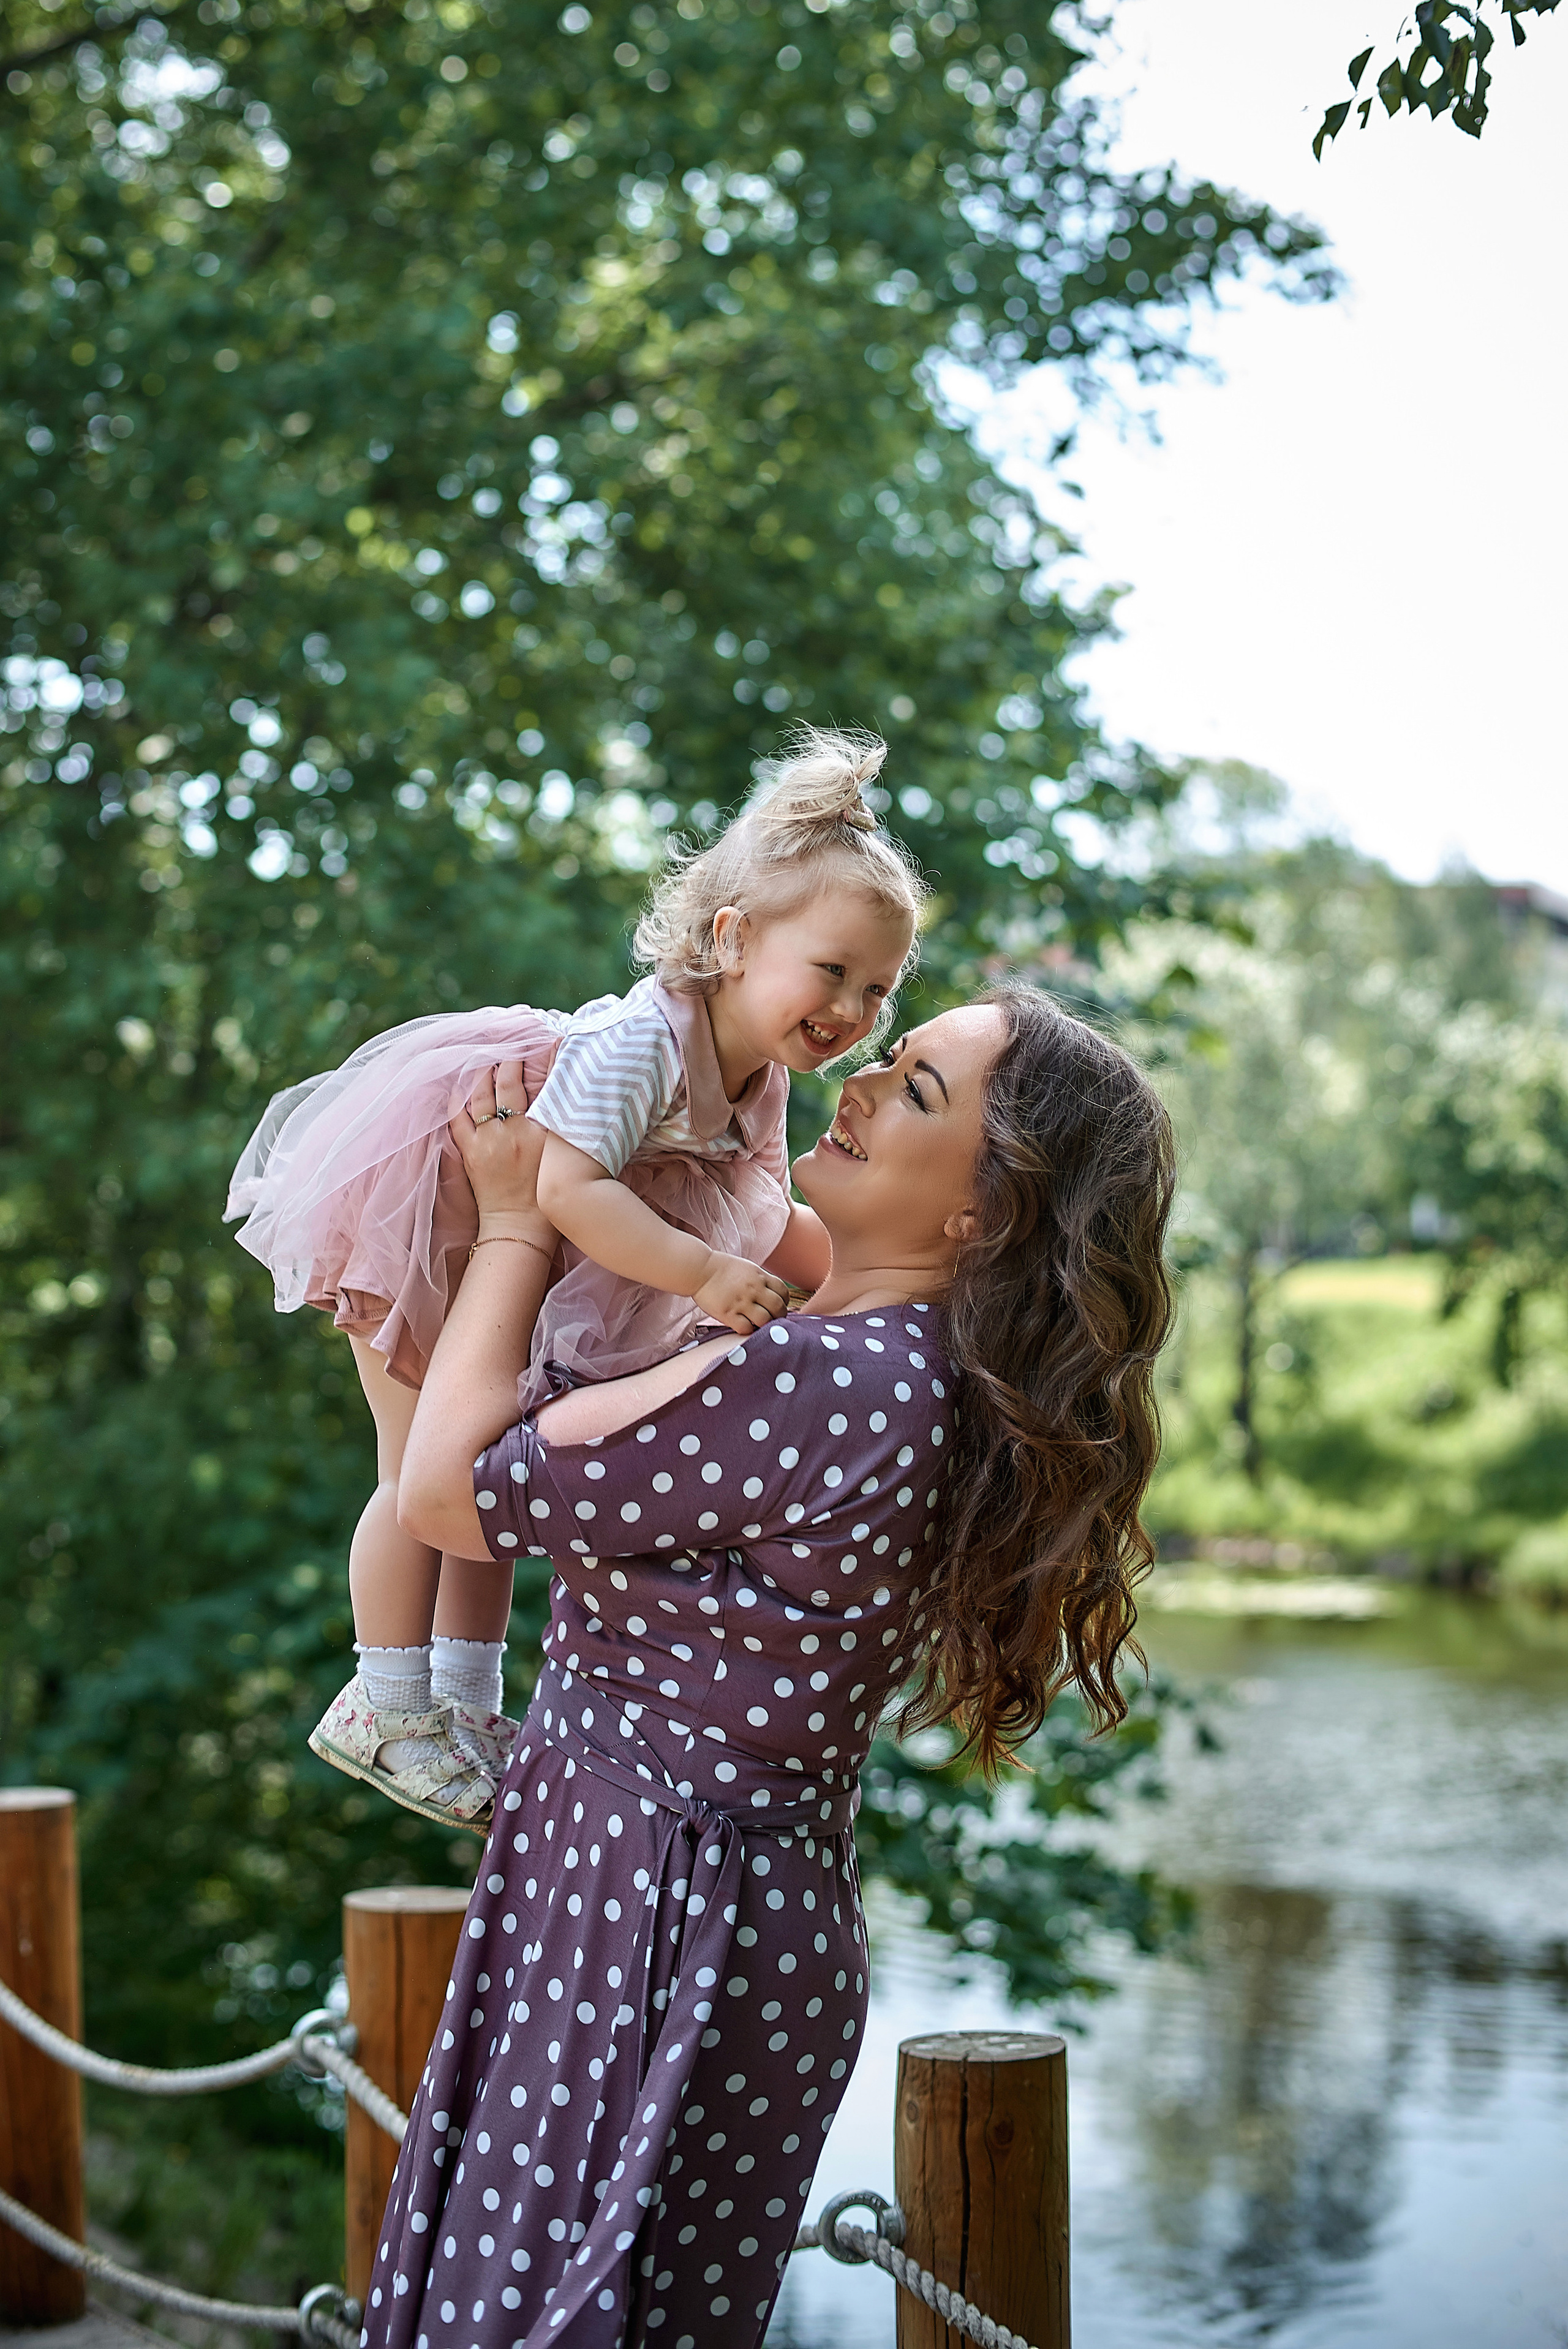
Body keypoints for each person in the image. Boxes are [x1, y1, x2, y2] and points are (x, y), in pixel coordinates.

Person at [359, 984, 1175, 2349]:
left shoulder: (825, 1383)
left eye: (912, 1087)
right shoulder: (912, 1366)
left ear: (981, 1215)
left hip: (645, 1917)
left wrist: (513, 1218)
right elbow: (726, 1222)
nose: (857, 1077)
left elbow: (446, 1495)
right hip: (724, 1908)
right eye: (885, 1053)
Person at [224, 729, 924, 1830]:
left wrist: (884, 1284)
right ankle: (384, 1697)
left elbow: (764, 1209)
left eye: (879, 991)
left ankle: (463, 1699)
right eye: (831, 970)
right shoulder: (642, 1044)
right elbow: (566, 1188)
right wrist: (705, 1275)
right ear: (734, 941)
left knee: (490, 1489)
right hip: (438, 1231)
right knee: (417, 1476)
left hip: (523, 1271)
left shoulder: (762, 1076)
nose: (853, 1009)